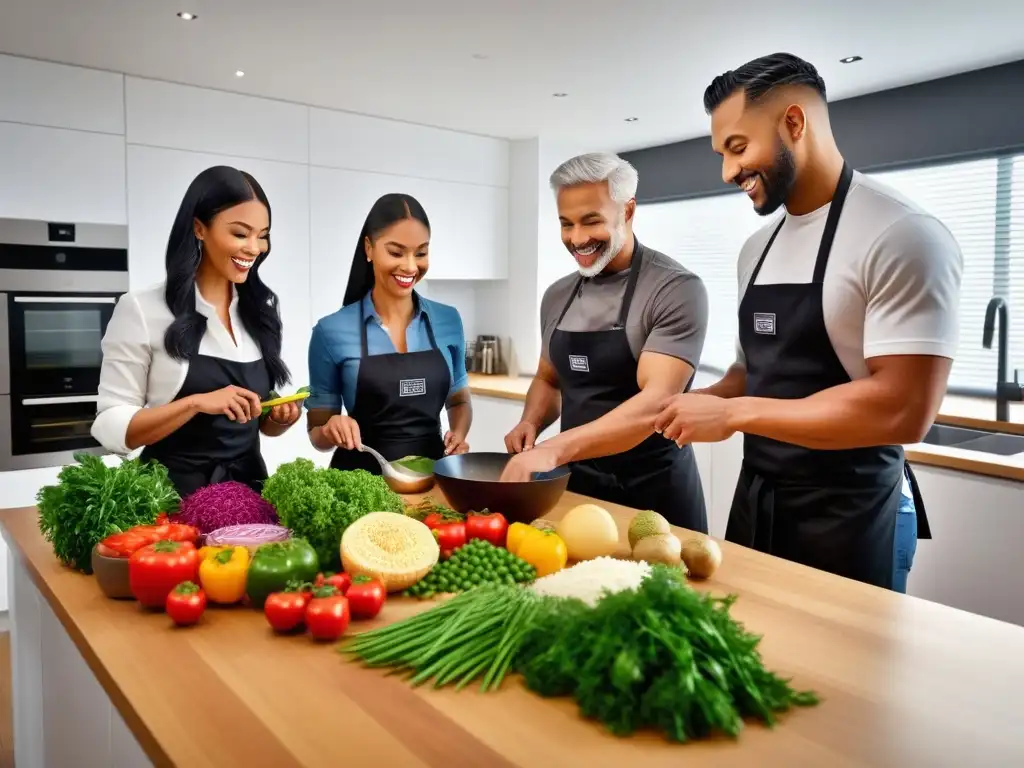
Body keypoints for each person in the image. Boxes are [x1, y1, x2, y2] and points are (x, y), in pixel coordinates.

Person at [654, 53, 963, 592]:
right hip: (758, 500)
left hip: (851, 514)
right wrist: (699, 401)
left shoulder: (901, 234)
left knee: (843, 675)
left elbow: (903, 407)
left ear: (794, 123)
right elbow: (755, 371)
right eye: (721, 153)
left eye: (738, 147)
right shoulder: (756, 249)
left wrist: (733, 413)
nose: (727, 172)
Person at [501, 153, 709, 532]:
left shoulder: (675, 289)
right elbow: (549, 379)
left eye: (591, 221)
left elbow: (655, 404)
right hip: (577, 491)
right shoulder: (557, 296)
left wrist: (553, 449)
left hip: (655, 498)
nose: (577, 238)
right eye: (566, 224)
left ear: (628, 211)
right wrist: (530, 421)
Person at [92, 166, 301, 497]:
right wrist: (195, 404)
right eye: (240, 233)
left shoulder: (260, 311)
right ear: (199, 228)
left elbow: (258, 425)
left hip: (249, 497)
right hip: (171, 504)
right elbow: (109, 426)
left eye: (262, 235)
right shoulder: (143, 309)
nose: (254, 247)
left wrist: (279, 418)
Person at [305, 193, 471, 471]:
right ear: (368, 248)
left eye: (421, 253)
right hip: (360, 484)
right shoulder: (330, 331)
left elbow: (459, 400)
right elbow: (317, 435)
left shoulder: (448, 320)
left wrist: (459, 435)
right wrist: (330, 428)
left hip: (433, 480)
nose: (410, 266)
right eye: (396, 252)